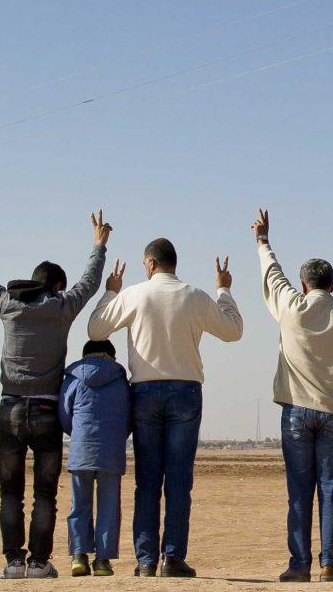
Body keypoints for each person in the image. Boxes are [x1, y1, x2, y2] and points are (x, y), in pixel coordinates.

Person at [0, 212, 110, 579]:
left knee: (10, 493)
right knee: (45, 493)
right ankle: (40, 562)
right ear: (55, 286)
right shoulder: (60, 309)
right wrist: (99, 245)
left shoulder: (9, 306)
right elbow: (89, 284)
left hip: (10, 407)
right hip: (46, 411)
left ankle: (13, 563)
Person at [87, 237, 242, 578]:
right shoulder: (195, 295)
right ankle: (172, 557)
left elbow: (95, 328)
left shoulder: (135, 294)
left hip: (144, 390)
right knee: (178, 480)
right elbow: (233, 331)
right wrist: (224, 290)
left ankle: (145, 560)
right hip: (185, 389)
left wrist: (111, 291)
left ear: (151, 263)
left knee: (147, 480)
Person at [253, 208, 333, 583]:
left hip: (295, 413)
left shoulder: (290, 308)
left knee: (298, 492)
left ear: (304, 285)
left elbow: (271, 275)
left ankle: (299, 565)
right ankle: (330, 563)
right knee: (330, 491)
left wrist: (262, 239)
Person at [60, 339, 131, 578]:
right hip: (111, 450)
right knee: (109, 508)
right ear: (111, 356)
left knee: (79, 505)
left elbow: (65, 414)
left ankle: (79, 556)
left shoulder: (73, 377)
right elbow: (129, 417)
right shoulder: (121, 379)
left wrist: (79, 434)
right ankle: (103, 560)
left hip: (81, 449)